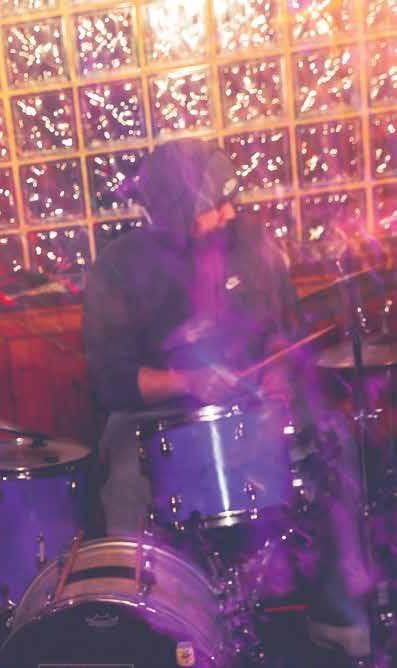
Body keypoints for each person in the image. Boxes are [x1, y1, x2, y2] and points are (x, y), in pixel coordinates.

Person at [83, 138, 372, 661]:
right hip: (158, 420)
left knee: (333, 439)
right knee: (122, 478)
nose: (230, 212)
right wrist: (189, 382)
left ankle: (335, 611)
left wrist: (279, 373)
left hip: (253, 408)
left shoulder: (253, 244)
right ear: (174, 212)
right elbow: (111, 382)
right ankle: (148, 633)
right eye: (215, 204)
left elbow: (283, 331)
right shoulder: (120, 267)